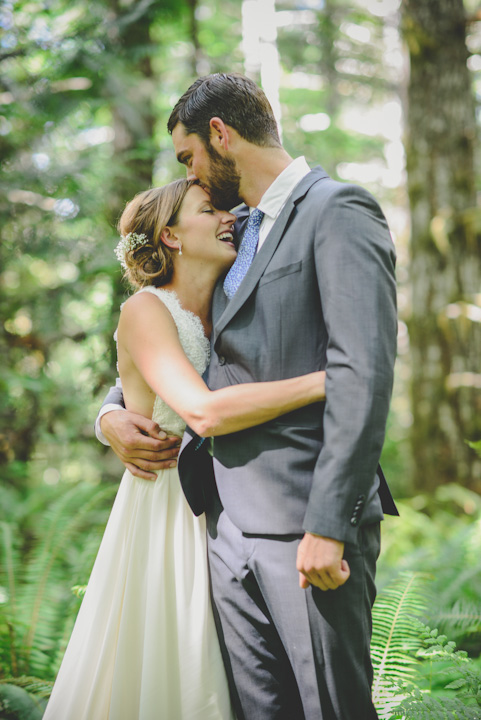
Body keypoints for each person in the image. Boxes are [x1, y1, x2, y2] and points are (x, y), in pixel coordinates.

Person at [99, 73, 398, 720]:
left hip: (303, 520)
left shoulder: (334, 210)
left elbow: (363, 367)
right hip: (220, 525)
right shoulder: (235, 242)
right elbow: (177, 345)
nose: (196, 180)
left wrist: (327, 522)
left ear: (219, 134)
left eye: (189, 159)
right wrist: (111, 414)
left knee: (329, 707)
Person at [44, 178, 327, 720]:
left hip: (238, 507)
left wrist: (110, 414)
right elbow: (201, 410)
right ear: (170, 236)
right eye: (210, 209)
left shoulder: (231, 302)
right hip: (169, 504)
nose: (231, 218)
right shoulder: (146, 310)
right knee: (176, 668)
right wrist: (328, 382)